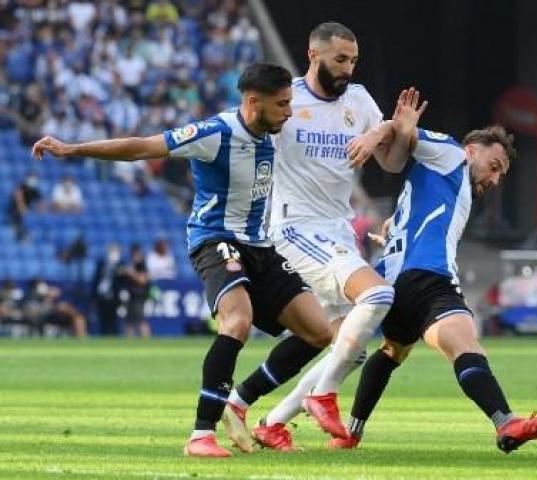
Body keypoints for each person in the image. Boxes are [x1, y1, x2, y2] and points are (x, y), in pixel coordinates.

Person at [31, 62, 334, 458]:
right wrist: (72, 148)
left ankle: (239, 402)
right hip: (215, 240)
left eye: (290, 103)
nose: (289, 112)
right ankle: (201, 435)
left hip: (261, 247)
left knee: (319, 332)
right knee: (237, 321)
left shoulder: (276, 131)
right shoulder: (213, 134)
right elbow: (141, 147)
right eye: (281, 105)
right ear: (253, 102)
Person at [328, 89, 537, 454]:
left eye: (502, 174)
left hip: (394, 282)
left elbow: (406, 214)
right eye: (495, 166)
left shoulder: (439, 184)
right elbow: (402, 130)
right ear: (473, 151)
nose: (496, 178)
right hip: (428, 278)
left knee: (392, 350)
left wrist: (392, 231)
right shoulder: (452, 154)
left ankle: (351, 432)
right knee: (466, 345)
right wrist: (375, 134)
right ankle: (507, 422)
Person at [224, 22, 398, 451]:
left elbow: (391, 160)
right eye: (340, 59)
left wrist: (381, 130)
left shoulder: (358, 101)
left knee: (346, 345)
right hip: (294, 227)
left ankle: (261, 416)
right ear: (313, 55)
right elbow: (248, 127)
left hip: (338, 230)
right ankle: (323, 395)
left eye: (354, 61)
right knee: (377, 298)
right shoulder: (288, 100)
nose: (348, 69)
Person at [92, 243, 124, 336]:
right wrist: (94, 296)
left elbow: (122, 282)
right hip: (101, 296)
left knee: (113, 320)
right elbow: (96, 280)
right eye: (111, 251)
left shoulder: (121, 265)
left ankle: (114, 338)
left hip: (114, 296)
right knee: (102, 320)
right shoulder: (102, 264)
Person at [121, 244, 152, 338]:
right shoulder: (132, 265)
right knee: (129, 322)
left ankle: (147, 341)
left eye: (136, 254)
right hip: (131, 296)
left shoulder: (142, 265)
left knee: (140, 321)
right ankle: (128, 343)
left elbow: (143, 280)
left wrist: (131, 273)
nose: (134, 256)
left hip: (139, 296)